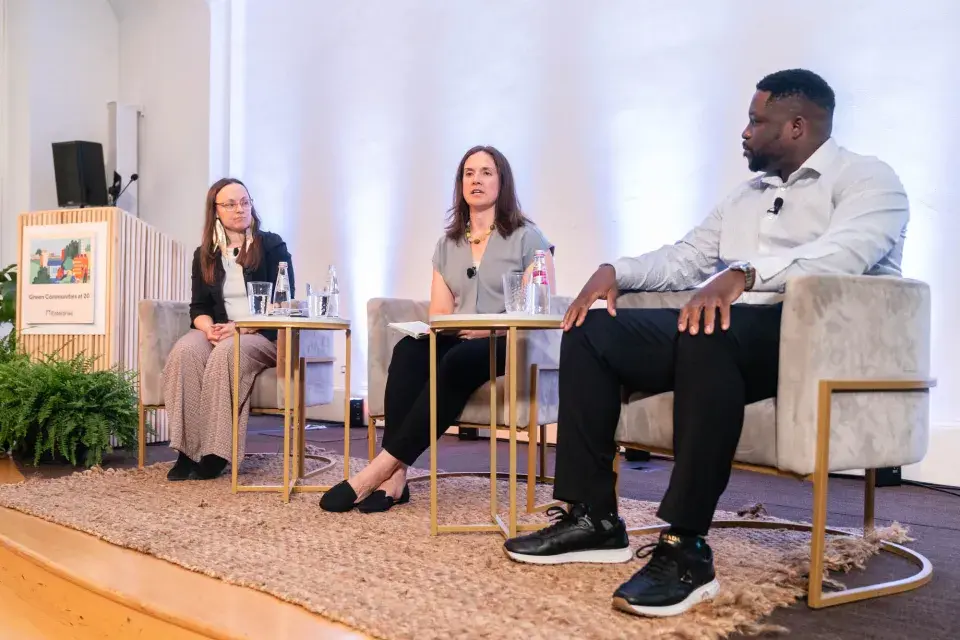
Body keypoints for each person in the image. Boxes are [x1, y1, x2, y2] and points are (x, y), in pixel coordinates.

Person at [503, 69, 909, 618]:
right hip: (732, 328)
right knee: (594, 331)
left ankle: (686, 547)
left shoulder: (868, 179)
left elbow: (845, 255)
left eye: (755, 120)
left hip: (816, 340)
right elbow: (685, 258)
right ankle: (593, 518)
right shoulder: (744, 197)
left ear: (795, 126)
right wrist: (614, 270)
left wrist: (744, 272)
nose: (744, 131)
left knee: (707, 329)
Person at [320, 145, 556, 513]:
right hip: (461, 336)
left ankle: (379, 469)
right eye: (469, 173)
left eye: (486, 172)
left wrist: (487, 328)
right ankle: (397, 480)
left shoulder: (528, 237)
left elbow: (538, 304)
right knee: (409, 351)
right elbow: (442, 313)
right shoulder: (448, 244)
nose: (476, 179)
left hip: (510, 341)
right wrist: (446, 328)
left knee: (460, 359)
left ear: (502, 182)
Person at [162, 178, 295, 481]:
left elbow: (284, 300)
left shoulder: (271, 244)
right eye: (231, 204)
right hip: (222, 330)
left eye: (245, 202)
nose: (240, 209)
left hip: (261, 334)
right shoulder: (205, 254)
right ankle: (186, 451)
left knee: (226, 353)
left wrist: (243, 327)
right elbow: (198, 309)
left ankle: (215, 453)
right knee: (185, 351)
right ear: (216, 211)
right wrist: (208, 329)